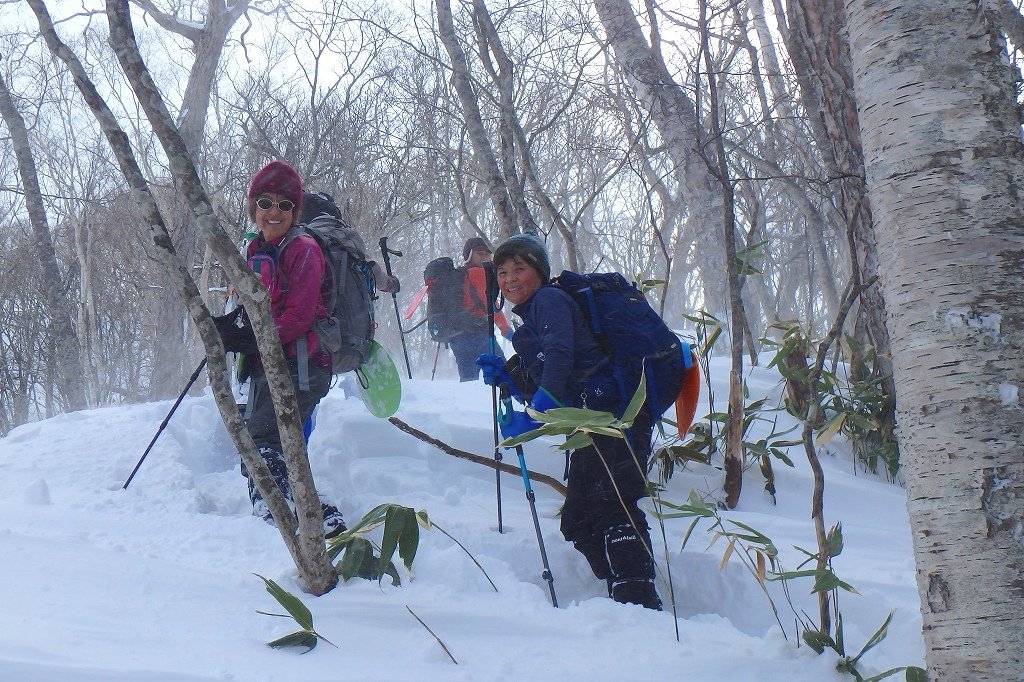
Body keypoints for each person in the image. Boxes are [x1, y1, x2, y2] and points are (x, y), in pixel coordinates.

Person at [476, 234, 685, 610]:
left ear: (539, 271)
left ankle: (637, 600)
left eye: (519, 268)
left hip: (618, 417)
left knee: (614, 503)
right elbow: (558, 375)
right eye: (502, 272)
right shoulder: (532, 317)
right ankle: (617, 590)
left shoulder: (550, 300)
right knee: (577, 521)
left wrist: (534, 416)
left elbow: (559, 358)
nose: (509, 279)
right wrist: (510, 378)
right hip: (590, 421)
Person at [216, 160, 346, 538]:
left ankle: (279, 516)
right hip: (271, 361)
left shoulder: (303, 249)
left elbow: (300, 315)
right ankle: (311, 514)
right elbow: (258, 304)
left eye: (285, 205)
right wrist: (234, 327)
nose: (274, 211)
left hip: (304, 363)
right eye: (266, 202)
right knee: (274, 441)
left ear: (296, 211)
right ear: (253, 207)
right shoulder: (255, 248)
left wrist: (256, 338)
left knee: (262, 440)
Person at [447, 236, 511, 381]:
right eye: (479, 253)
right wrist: (505, 330)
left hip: (458, 335)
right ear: (469, 256)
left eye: (487, 254)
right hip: (478, 333)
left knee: (468, 378)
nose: (484, 257)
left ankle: (467, 403)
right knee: (505, 373)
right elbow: (490, 304)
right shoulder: (480, 273)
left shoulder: (459, 274)